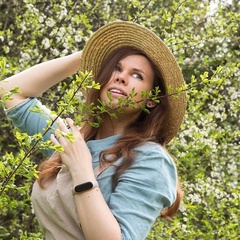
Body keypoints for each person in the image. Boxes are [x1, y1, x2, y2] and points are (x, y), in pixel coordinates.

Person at [0, 21, 187, 240]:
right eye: (116, 68)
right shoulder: (71, 139)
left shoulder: (150, 159)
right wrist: (89, 56)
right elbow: (10, 92)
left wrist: (81, 169)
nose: (121, 77)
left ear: (152, 101)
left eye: (137, 76)